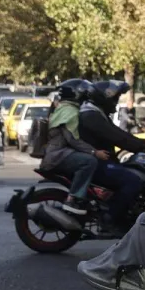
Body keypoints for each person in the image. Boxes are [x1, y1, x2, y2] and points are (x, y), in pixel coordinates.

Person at [77, 80, 145, 223]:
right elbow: (116, 137)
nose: (116, 102)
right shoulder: (91, 115)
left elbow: (120, 134)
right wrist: (143, 146)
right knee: (132, 181)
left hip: (98, 161)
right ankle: (111, 218)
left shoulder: (96, 113)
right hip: (95, 163)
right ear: (103, 98)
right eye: (114, 99)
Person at [36, 80, 100, 219]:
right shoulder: (69, 111)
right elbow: (72, 139)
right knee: (89, 161)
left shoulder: (63, 108)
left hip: (56, 154)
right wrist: (94, 152)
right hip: (58, 155)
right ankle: (74, 198)